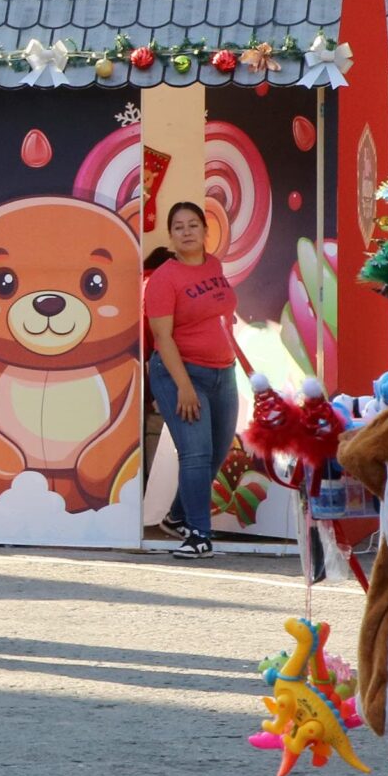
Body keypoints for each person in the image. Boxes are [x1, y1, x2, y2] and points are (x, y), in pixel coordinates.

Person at [143, 200, 246, 560]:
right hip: (181, 374)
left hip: (223, 373)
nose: (186, 232)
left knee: (216, 453)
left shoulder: (214, 265)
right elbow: (162, 337)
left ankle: (178, 516)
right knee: (196, 454)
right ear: (170, 235)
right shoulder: (163, 278)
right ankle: (198, 536)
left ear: (205, 230)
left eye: (192, 225)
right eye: (178, 227)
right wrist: (184, 387)